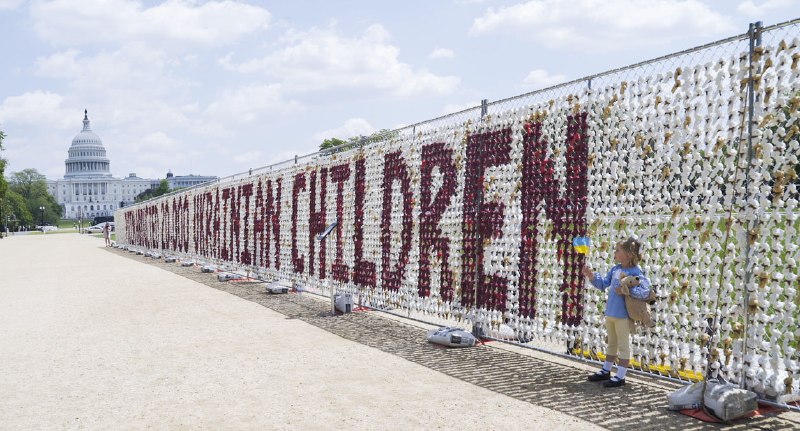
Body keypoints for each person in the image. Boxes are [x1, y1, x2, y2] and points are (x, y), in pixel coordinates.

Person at [582, 237, 651, 388]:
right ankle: (606, 370)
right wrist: (591, 275)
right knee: (611, 343)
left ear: (628, 254)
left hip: (623, 315)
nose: (615, 252)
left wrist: (627, 290)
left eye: (618, 250)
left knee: (623, 345)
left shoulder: (636, 271)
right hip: (611, 312)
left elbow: (645, 291)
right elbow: (603, 284)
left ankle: (620, 376)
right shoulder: (615, 269)